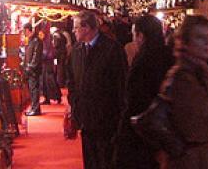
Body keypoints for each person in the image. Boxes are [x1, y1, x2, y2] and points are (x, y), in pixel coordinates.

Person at [158, 15, 208, 169]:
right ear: (186, 42)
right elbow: (194, 130)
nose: (207, 43)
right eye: (200, 38)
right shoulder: (183, 79)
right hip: (188, 161)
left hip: (201, 159)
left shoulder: (201, 72)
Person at [68, 10, 127, 169]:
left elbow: (121, 85)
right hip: (85, 119)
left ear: (86, 28)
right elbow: (72, 81)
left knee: (106, 161)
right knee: (90, 160)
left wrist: (119, 119)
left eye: (76, 27)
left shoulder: (112, 49)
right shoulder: (76, 51)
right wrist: (75, 105)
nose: (73, 31)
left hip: (106, 120)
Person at [114, 15, 173, 169]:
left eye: (134, 35)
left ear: (141, 35)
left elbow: (135, 99)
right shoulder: (170, 55)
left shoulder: (143, 59)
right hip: (166, 128)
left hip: (145, 130)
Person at [22, 22, 43, 116]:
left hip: (33, 70)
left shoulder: (36, 40)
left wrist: (30, 67)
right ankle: (34, 108)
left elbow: (36, 56)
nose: (23, 33)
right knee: (32, 89)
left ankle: (35, 109)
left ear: (27, 30)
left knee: (34, 89)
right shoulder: (31, 40)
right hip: (30, 69)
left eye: (24, 31)